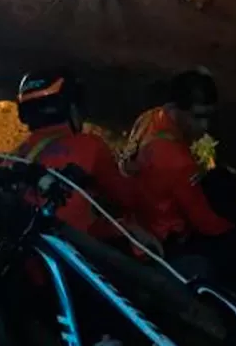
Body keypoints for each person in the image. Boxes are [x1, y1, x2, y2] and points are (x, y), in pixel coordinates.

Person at [125, 70, 236, 284]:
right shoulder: (178, 161)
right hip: (169, 244)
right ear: (177, 108)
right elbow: (207, 225)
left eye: (208, 117)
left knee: (220, 179)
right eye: (198, 116)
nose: (205, 126)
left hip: (143, 218)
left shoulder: (150, 118)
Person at [11, 71, 146, 241]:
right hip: (67, 255)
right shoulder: (90, 146)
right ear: (72, 108)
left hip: (21, 252)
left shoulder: (15, 155)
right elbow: (127, 198)